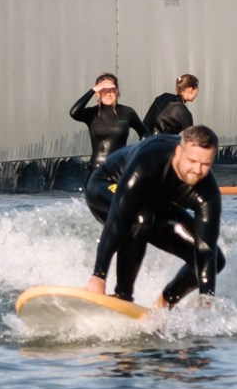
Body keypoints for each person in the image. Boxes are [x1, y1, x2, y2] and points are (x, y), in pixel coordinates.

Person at [84, 126, 224, 308]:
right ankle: (122, 295)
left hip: (155, 203)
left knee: (217, 261)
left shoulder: (208, 194)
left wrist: (206, 296)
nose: (197, 170)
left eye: (206, 164)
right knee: (141, 217)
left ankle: (164, 304)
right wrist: (99, 275)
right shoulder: (148, 161)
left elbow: (206, 249)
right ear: (178, 151)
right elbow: (118, 218)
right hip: (108, 186)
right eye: (192, 161)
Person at [69, 72, 146, 163]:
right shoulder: (92, 113)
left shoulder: (127, 112)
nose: (109, 94)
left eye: (112, 90)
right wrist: (93, 90)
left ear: (117, 91)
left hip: (119, 168)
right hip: (97, 168)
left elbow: (145, 134)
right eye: (104, 90)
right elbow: (74, 112)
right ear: (98, 93)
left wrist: (136, 154)